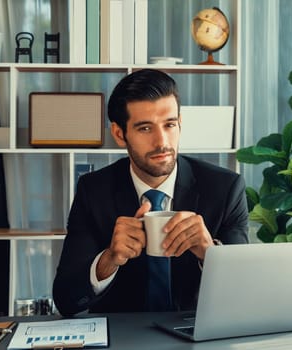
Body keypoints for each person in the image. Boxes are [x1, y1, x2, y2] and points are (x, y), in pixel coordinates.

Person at [53, 69, 249, 316]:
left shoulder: (225, 189)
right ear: (119, 134)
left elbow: (244, 296)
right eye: (145, 128)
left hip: (196, 336)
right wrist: (109, 260)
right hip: (124, 339)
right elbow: (66, 300)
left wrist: (210, 254)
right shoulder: (93, 191)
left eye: (170, 125)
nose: (162, 142)